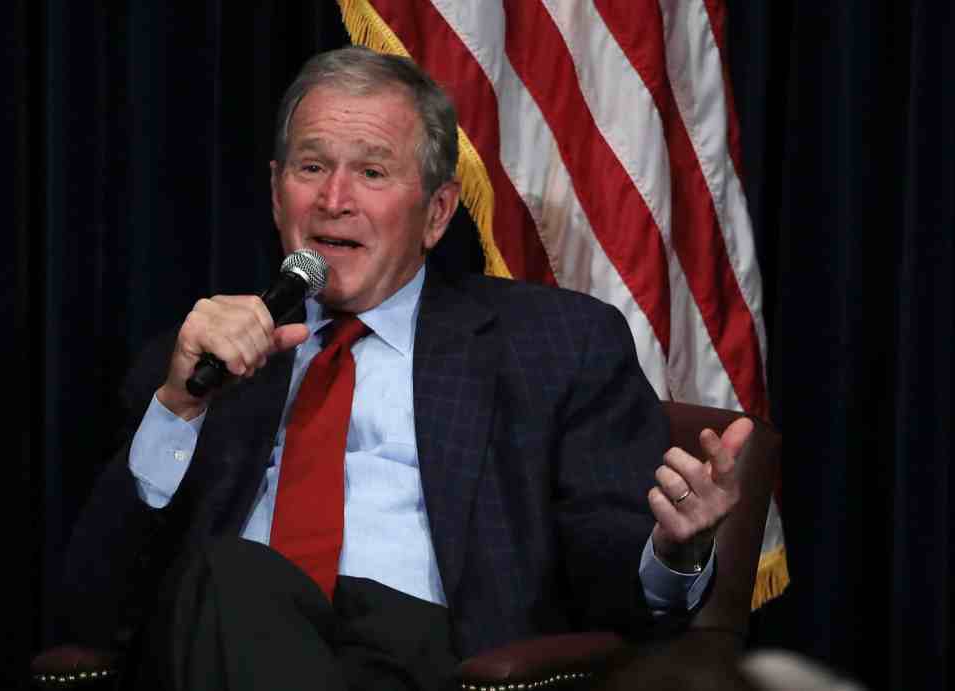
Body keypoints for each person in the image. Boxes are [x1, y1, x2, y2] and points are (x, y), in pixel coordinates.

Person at [62, 46, 751, 691]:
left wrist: (674, 549)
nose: (334, 199)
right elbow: (92, 605)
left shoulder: (553, 344)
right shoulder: (200, 360)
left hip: (437, 659)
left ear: (437, 212)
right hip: (232, 637)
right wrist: (178, 407)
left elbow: (613, 586)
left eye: (371, 172)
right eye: (311, 167)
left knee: (231, 578)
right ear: (276, 192)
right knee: (230, 577)